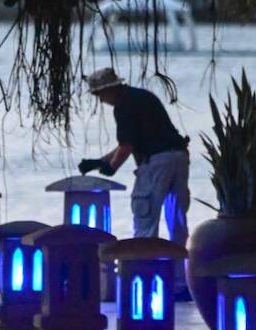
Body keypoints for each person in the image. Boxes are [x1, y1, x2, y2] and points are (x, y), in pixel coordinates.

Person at [77, 67, 192, 246]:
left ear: (109, 89)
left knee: (145, 217)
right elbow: (130, 142)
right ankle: (177, 265)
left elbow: (127, 146)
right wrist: (101, 162)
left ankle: (142, 264)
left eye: (99, 94)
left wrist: (112, 167)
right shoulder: (143, 96)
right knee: (177, 217)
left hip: (156, 163)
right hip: (178, 157)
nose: (100, 100)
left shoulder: (122, 106)